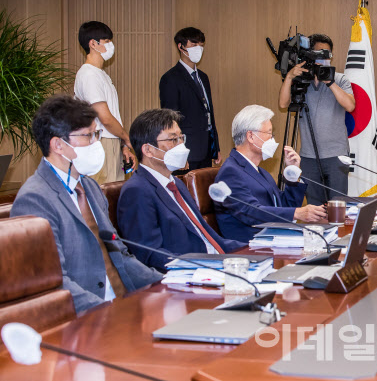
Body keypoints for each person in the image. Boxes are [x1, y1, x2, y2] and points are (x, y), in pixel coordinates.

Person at [10, 95, 162, 314]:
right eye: (88, 136)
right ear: (58, 144)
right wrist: (108, 311)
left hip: (125, 303)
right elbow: (53, 281)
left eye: (96, 134)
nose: (95, 143)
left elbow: (121, 255)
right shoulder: (35, 200)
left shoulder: (89, 186)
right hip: (85, 317)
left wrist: (166, 284)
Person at [117, 109, 245, 272]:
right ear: (148, 150)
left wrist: (255, 251)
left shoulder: (176, 183)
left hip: (218, 265)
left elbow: (209, 238)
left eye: (181, 138)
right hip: (190, 275)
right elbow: (150, 255)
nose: (181, 146)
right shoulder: (137, 191)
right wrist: (205, 267)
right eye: (173, 140)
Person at [215, 105, 327, 243]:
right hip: (251, 246)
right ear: (251, 136)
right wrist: (298, 213)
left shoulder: (260, 171)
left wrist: (292, 174)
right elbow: (251, 212)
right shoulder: (230, 172)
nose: (273, 140)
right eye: (269, 134)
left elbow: (284, 207)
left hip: (275, 238)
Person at [277, 33, 355, 205]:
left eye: (327, 54)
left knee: (338, 207)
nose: (323, 58)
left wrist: (330, 82)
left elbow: (350, 106)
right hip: (308, 156)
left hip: (336, 156)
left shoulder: (340, 79)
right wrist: (290, 77)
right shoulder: (301, 81)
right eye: (318, 53)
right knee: (315, 208)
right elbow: (283, 104)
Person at [74, 21, 136, 184]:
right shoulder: (89, 74)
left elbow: (113, 115)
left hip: (111, 141)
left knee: (115, 192)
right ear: (93, 44)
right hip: (101, 142)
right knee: (106, 196)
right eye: (107, 41)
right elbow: (105, 118)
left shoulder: (100, 74)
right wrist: (127, 138)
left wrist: (123, 144)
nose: (111, 45)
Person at [159, 27, 221, 172]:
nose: (198, 49)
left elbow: (209, 114)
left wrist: (215, 146)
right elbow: (170, 119)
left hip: (206, 148)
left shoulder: (203, 77)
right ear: (181, 47)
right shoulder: (170, 79)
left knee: (203, 191)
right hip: (187, 150)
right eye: (193, 45)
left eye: (201, 45)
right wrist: (178, 152)